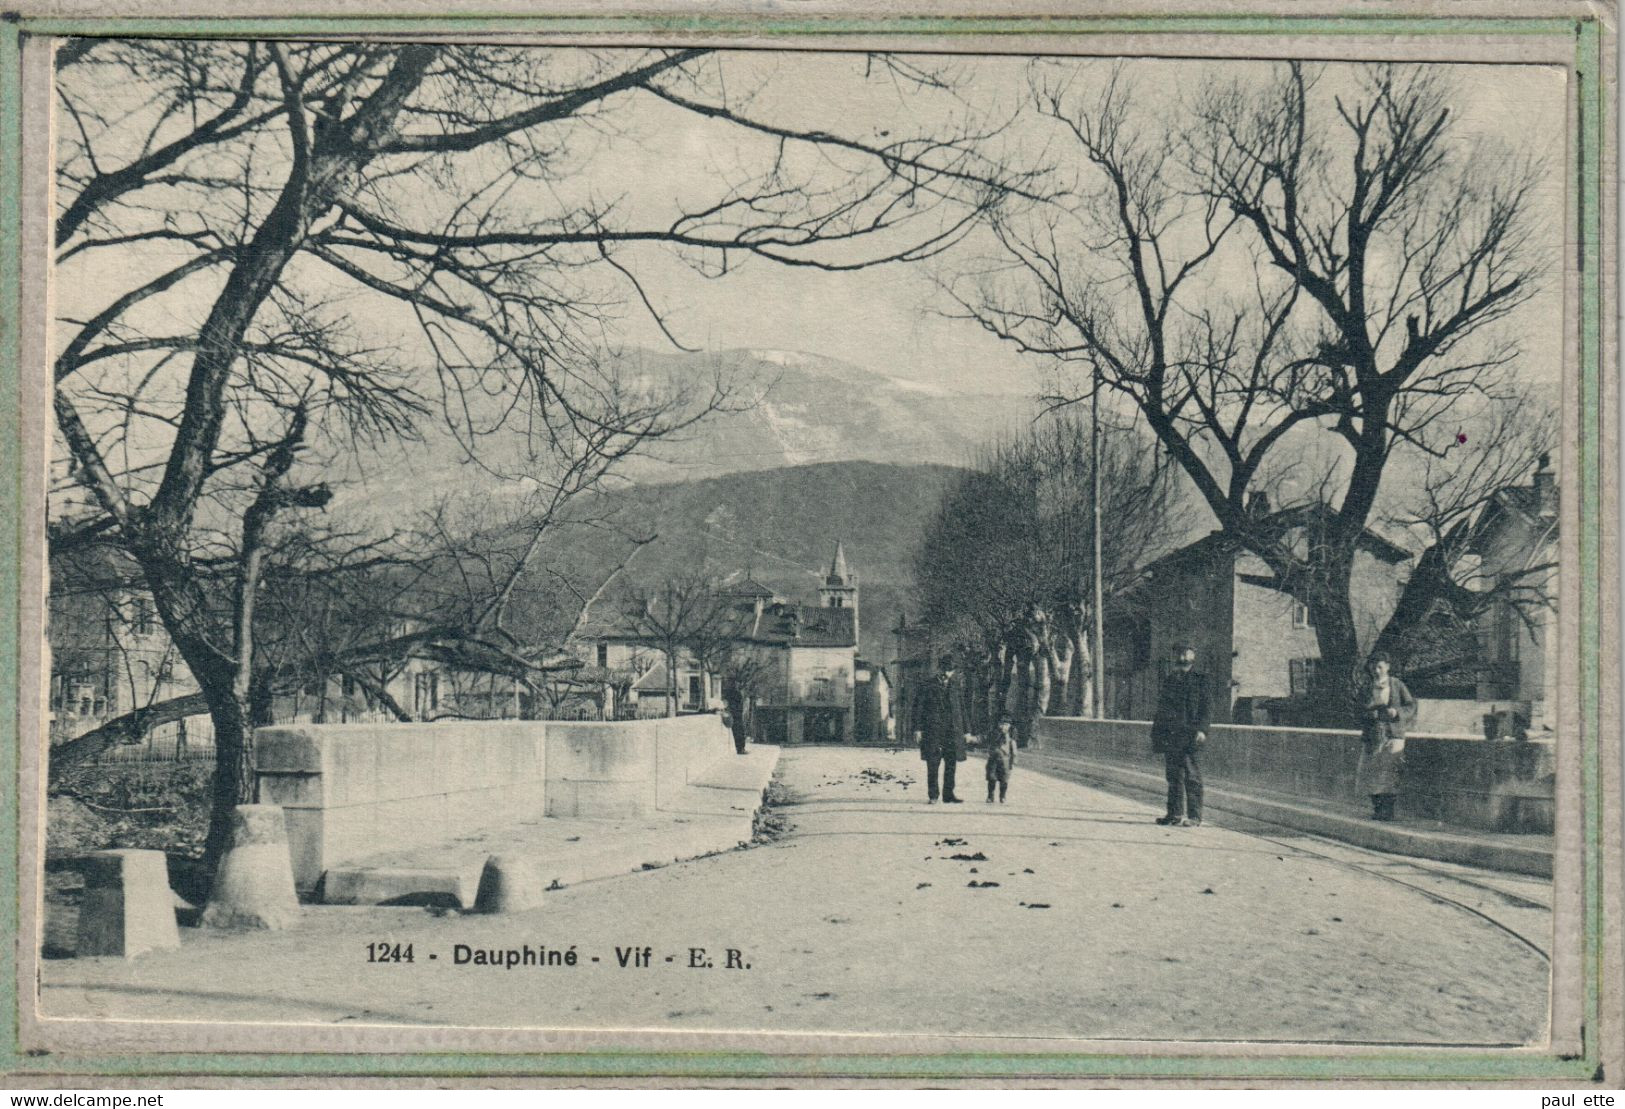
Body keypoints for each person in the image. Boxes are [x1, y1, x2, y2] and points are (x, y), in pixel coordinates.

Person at [1150, 644, 1211, 827]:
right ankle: (1174, 814)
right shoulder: (1170, 680)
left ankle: (1194, 817)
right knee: (1173, 776)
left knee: (1192, 776)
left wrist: (1202, 729)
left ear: (1192, 658)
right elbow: (1162, 710)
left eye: (1186, 657)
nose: (1183, 660)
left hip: (1190, 734)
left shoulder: (1201, 680)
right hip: (1171, 735)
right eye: (1179, 657)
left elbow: (1207, 708)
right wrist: (1157, 734)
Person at [1356, 652, 1416, 821]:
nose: (1376, 670)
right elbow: (1358, 711)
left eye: (1380, 667)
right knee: (1371, 771)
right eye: (1373, 667)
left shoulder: (1397, 685)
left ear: (1387, 667)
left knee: (1390, 772)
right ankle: (1377, 809)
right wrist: (1371, 714)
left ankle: (1388, 811)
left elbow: (1411, 706)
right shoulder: (1366, 688)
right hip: (1373, 735)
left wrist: (1396, 712)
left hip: (1394, 734)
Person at [917, 656, 970, 803]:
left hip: (952, 730)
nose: (948, 673)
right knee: (933, 763)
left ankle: (948, 794)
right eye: (946, 670)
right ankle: (933, 795)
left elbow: (963, 709)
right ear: (940, 669)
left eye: (951, 670)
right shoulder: (927, 684)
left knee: (951, 763)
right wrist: (918, 729)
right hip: (933, 730)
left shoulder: (956, 685)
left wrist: (967, 730)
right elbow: (919, 708)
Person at [985, 716, 1017, 803]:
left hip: (1005, 761)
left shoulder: (1010, 739)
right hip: (993, 760)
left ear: (1010, 726)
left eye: (1006, 725)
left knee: (1004, 780)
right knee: (992, 778)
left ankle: (1002, 796)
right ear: (998, 725)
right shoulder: (993, 734)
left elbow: (1014, 751)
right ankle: (990, 795)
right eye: (1001, 724)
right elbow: (986, 741)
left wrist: (1013, 761)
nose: (1003, 727)